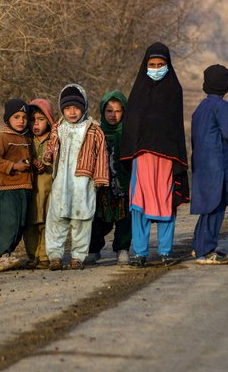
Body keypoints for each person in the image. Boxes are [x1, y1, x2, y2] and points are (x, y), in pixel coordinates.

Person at [120, 42, 190, 268]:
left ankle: (165, 251)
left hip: (166, 160)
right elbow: (130, 127)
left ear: (168, 65)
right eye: (152, 64)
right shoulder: (138, 91)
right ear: (145, 65)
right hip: (142, 159)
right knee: (139, 205)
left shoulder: (173, 90)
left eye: (161, 64)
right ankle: (140, 253)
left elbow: (176, 128)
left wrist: (177, 158)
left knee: (165, 204)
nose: (157, 68)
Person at [43, 84, 109, 271]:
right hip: (61, 182)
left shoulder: (94, 130)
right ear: (62, 109)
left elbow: (102, 155)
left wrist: (100, 179)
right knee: (57, 218)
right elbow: (51, 146)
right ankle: (55, 255)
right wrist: (47, 155)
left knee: (82, 220)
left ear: (84, 107)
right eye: (67, 108)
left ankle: (78, 256)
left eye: (76, 108)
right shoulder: (59, 128)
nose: (72, 112)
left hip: (83, 183)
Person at [190, 64, 228, 265]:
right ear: (226, 85)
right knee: (216, 206)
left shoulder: (200, 107)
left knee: (208, 206)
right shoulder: (221, 105)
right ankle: (206, 251)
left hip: (201, 163)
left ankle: (199, 247)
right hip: (217, 164)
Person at [85, 90, 132, 266]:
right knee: (97, 217)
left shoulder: (129, 133)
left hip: (123, 183)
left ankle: (122, 249)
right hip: (100, 184)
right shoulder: (96, 133)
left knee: (124, 218)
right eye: (109, 111)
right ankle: (93, 249)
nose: (113, 115)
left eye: (118, 111)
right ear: (103, 112)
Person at [0, 99, 33, 273]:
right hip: (7, 189)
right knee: (6, 223)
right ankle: (0, 257)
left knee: (19, 224)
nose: (21, 121)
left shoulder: (27, 137)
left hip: (25, 188)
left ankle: (7, 254)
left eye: (24, 117)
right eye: (16, 117)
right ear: (8, 119)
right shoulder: (2, 138)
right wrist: (13, 166)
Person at [23, 98, 56, 269]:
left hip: (49, 188)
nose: (36, 124)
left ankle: (45, 256)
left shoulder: (55, 140)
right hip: (31, 188)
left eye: (41, 120)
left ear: (49, 120)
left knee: (46, 222)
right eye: (33, 120)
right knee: (30, 223)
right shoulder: (26, 140)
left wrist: (47, 165)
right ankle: (32, 256)